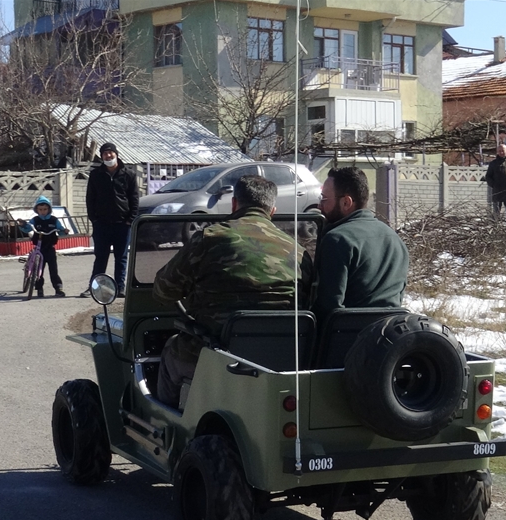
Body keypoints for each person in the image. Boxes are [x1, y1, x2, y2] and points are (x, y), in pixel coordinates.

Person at [153, 175, 298, 408]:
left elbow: (163, 289)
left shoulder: (209, 238)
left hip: (215, 355)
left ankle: (166, 428)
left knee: (171, 351)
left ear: (234, 203)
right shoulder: (297, 250)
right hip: (280, 359)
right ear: (272, 210)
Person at [306, 166, 409, 325]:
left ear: (346, 202)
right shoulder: (395, 239)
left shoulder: (337, 239)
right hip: (389, 339)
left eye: (324, 199)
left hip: (346, 340)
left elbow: (328, 307)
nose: (319, 206)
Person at [82, 142, 139, 298]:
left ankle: (120, 287)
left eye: (110, 153)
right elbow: (90, 198)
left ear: (116, 154)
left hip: (122, 224)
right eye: (105, 153)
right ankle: (94, 287)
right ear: (101, 157)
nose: (108, 156)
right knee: (101, 257)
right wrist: (94, 219)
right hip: (102, 224)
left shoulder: (129, 174)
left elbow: (134, 199)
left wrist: (130, 220)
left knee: (121, 257)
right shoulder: (96, 175)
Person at [19, 195, 67, 298]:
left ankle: (58, 288)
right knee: (38, 270)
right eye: (40, 209)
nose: (43, 211)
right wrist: (23, 225)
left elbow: (60, 230)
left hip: (50, 248)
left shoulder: (54, 220)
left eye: (45, 209)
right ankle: (39, 288)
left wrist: (64, 231)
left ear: (49, 209)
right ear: (37, 210)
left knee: (53, 270)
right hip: (39, 248)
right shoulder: (35, 220)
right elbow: (28, 228)